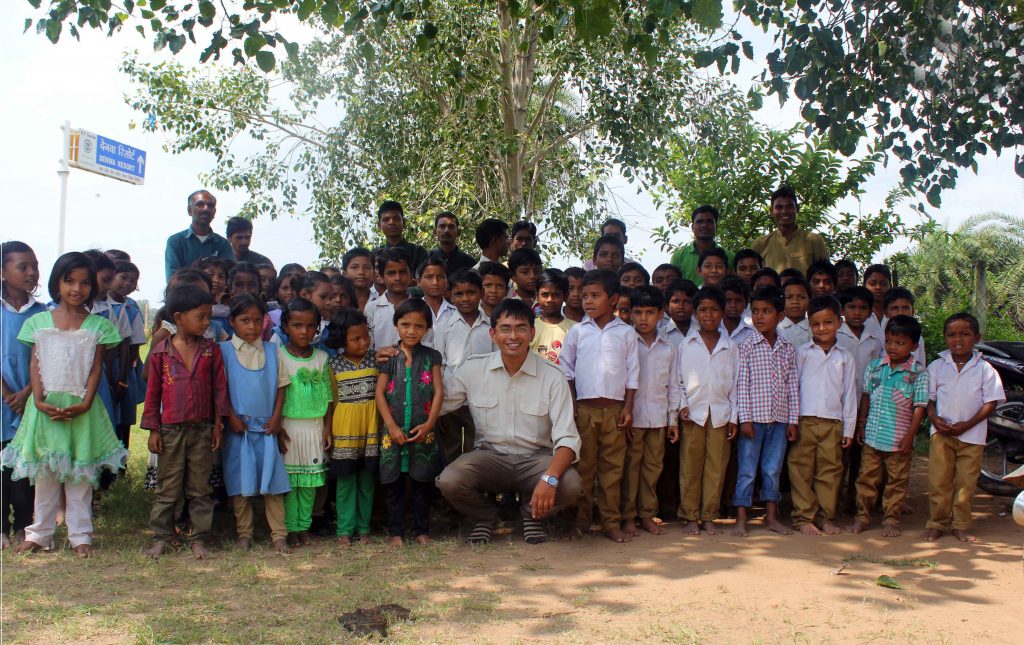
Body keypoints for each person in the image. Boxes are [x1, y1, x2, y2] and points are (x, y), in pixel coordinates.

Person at [0, 252, 126, 558]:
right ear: (58, 282)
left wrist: (85, 403)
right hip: (45, 410)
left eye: (84, 282)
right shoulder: (38, 322)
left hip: (82, 410)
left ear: (92, 288)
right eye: (70, 280)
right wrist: (39, 401)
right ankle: (40, 532)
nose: (77, 288)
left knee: (80, 474)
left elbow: (97, 369)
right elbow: (35, 364)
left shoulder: (99, 325)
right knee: (45, 473)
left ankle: (80, 535)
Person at [436, 299, 583, 545]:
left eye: (521, 328)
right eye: (505, 328)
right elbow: (438, 405)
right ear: (493, 334)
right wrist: (405, 360)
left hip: (536, 460)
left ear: (532, 333)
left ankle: (530, 514)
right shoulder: (473, 370)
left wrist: (549, 479)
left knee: (570, 484)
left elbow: (568, 439)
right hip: (490, 458)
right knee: (450, 480)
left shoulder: (552, 376)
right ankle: (486, 517)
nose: (513, 336)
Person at [142, 282, 229, 560]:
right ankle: (162, 536)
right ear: (178, 318)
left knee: (201, 488)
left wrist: (218, 425)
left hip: (202, 429)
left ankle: (200, 537)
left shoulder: (210, 350)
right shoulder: (160, 353)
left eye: (208, 316)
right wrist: (153, 429)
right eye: (200, 317)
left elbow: (220, 390)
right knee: (168, 487)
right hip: (170, 430)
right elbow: (153, 393)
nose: (206, 323)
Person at [560, 269, 639, 543]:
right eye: (584, 296)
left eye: (595, 296)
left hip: (615, 411)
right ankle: (580, 521)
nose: (588, 302)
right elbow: (566, 371)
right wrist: (572, 405)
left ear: (613, 299)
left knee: (612, 469)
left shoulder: (627, 333)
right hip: (584, 411)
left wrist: (628, 407)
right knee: (583, 468)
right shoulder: (577, 332)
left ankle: (610, 521)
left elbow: (632, 373)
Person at [923, 313, 1005, 543]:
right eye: (951, 334)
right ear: (945, 337)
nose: (957, 339)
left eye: (965, 334)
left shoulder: (985, 369)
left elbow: (990, 403)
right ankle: (937, 522)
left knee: (966, 482)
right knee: (939, 479)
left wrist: (967, 424)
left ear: (977, 337)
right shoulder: (937, 366)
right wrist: (934, 419)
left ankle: (961, 524)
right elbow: (929, 400)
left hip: (973, 435)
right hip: (941, 434)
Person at [219, 294, 291, 554]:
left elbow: (281, 388)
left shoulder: (273, 350)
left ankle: (279, 535)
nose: (251, 326)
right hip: (238, 430)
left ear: (265, 321)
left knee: (273, 481)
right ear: (232, 322)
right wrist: (231, 418)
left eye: (257, 320)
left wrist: (276, 417)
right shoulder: (223, 351)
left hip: (267, 427)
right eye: (244, 320)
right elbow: (222, 390)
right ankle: (244, 533)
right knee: (240, 483)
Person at [849, 315, 929, 537]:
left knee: (896, 482)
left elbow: (919, 408)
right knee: (866, 479)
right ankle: (862, 517)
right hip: (873, 436)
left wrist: (910, 437)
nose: (893, 347)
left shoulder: (918, 373)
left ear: (914, 346)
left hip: (899, 439)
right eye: (890, 341)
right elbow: (866, 396)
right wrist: (862, 424)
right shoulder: (875, 367)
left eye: (901, 343)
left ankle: (891, 519)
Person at [375, 298, 444, 547]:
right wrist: (391, 426)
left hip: (422, 431)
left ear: (427, 328)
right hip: (392, 433)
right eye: (405, 324)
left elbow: (438, 391)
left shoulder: (432, 356)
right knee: (393, 485)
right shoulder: (388, 357)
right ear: (396, 325)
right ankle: (396, 533)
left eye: (418, 326)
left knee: (421, 484)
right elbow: (380, 393)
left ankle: (421, 531)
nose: (411, 331)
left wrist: (429, 423)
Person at [733, 286, 799, 537]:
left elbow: (792, 385)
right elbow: (742, 384)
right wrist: (745, 419)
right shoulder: (746, 345)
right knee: (747, 469)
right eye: (756, 311)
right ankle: (741, 517)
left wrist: (792, 420)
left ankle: (771, 517)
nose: (759, 317)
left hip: (780, 419)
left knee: (773, 469)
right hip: (754, 420)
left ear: (780, 316)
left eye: (767, 311)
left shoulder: (787, 347)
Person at [789, 296, 857, 536]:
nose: (822, 328)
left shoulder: (845, 357)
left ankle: (826, 516)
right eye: (816, 324)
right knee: (800, 470)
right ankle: (803, 517)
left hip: (833, 422)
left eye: (828, 322)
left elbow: (849, 395)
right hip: (804, 420)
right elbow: (792, 388)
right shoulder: (802, 353)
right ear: (809, 325)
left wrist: (849, 429)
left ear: (839, 322)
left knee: (830, 471)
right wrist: (792, 420)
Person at [677, 286, 737, 536]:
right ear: (695, 313)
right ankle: (690, 515)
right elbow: (677, 380)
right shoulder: (686, 344)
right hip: (693, 413)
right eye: (703, 310)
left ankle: (709, 515)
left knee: (716, 467)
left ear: (722, 313)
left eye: (714, 309)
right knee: (690, 466)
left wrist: (734, 416)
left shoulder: (730, 346)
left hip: (721, 414)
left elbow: (736, 383)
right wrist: (681, 405)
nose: (709, 315)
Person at [276, 298, 333, 548]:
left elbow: (329, 397)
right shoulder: (278, 356)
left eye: (310, 326)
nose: (304, 331)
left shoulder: (321, 358)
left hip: (315, 428)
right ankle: (289, 528)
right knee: (290, 483)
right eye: (297, 325)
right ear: (285, 327)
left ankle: (303, 527)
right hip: (288, 428)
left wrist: (328, 427)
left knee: (309, 483)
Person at [0, 242, 46, 551]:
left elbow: (48, 358)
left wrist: (28, 393)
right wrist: (8, 395)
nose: (31, 273)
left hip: (32, 401)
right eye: (23, 267)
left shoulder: (44, 313)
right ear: (3, 273)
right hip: (4, 401)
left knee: (27, 469)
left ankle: (22, 527)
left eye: (34, 266)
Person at [622, 286, 678, 537]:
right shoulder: (625, 342)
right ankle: (627, 516)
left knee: (652, 468)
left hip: (657, 418)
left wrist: (673, 419)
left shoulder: (668, 348)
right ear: (630, 314)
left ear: (660, 314)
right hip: (632, 418)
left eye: (649, 312)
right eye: (638, 312)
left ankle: (646, 514)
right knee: (630, 468)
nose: (643, 318)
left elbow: (674, 385)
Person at [324, 308, 380, 546]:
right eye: (356, 338)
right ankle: (345, 529)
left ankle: (364, 527)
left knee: (367, 480)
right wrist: (328, 429)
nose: (363, 342)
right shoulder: (333, 365)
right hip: (345, 428)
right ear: (341, 340)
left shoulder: (376, 360)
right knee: (346, 480)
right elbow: (331, 399)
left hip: (371, 428)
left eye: (365, 336)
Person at [434, 270, 493, 465]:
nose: (465, 298)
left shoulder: (491, 326)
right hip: (451, 398)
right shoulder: (444, 326)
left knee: (476, 447)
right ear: (450, 296)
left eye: (471, 292)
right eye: (458, 294)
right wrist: (439, 397)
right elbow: (439, 363)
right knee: (450, 447)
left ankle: (477, 492)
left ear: (481, 294)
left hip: (482, 400)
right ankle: (448, 493)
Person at [751, 186, 828, 274]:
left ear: (797, 208)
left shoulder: (813, 240)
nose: (784, 211)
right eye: (779, 207)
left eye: (789, 206)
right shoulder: (760, 244)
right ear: (771, 211)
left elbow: (826, 275)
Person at [165, 190, 235, 281]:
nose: (206, 208)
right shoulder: (175, 242)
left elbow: (231, 276)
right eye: (200, 204)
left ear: (214, 212)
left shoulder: (223, 244)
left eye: (210, 206)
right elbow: (173, 279)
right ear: (190, 210)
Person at [670, 206, 734, 284]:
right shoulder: (679, 257)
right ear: (692, 227)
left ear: (716, 227)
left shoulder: (730, 257)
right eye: (699, 222)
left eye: (709, 221)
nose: (704, 225)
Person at [365, 249, 413, 351]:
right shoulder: (372, 308)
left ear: (411, 274)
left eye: (403, 272)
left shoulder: (421, 306)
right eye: (391, 273)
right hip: (381, 366)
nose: (398, 278)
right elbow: (368, 346)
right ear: (382, 276)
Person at [530, 269, 575, 365]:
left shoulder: (575, 329)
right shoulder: (529, 327)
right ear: (537, 296)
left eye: (556, 295)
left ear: (565, 296)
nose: (550, 300)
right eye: (545, 295)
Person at [374, 201, 428, 273]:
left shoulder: (418, 252)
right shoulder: (375, 255)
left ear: (404, 222)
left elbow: (425, 279)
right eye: (386, 219)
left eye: (396, 218)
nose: (391, 222)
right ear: (379, 225)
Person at [881, 287, 926, 368]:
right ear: (885, 312)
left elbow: (921, 366)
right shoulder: (877, 337)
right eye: (894, 308)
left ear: (913, 311)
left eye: (905, 308)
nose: (900, 312)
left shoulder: (918, 338)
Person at [662, 279, 698, 347]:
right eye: (676, 301)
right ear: (667, 305)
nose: (681, 306)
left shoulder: (702, 332)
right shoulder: (660, 335)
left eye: (687, 302)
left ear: (695, 306)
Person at [720, 276, 755, 344]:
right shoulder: (712, 329)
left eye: (738, 301)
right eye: (728, 300)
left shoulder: (751, 334)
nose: (733, 305)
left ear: (746, 304)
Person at [778, 278, 811, 347]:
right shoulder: (775, 329)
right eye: (789, 297)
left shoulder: (814, 329)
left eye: (801, 297)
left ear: (809, 300)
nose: (795, 301)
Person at [343, 247, 376, 312]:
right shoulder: (339, 302)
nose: (361, 272)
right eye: (354, 267)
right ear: (344, 273)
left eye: (367, 267)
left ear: (374, 273)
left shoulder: (382, 301)